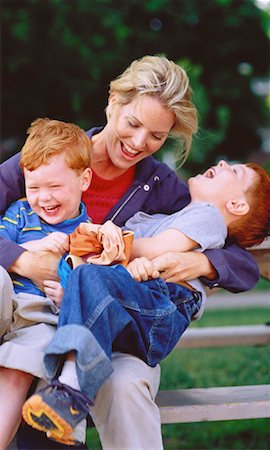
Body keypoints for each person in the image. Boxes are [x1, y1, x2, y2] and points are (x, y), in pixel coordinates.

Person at [0, 55, 259, 450]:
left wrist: (203, 261)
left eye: (156, 136)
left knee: (122, 380)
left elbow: (241, 254)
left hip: (96, 322)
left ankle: (67, 393)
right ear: (112, 104)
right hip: (24, 309)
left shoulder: (162, 187)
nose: (140, 143)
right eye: (133, 124)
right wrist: (24, 260)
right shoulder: (51, 155)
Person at [21, 159, 270, 446]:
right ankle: (66, 398)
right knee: (86, 278)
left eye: (235, 171)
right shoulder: (159, 217)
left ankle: (71, 388)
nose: (224, 162)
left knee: (89, 277)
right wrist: (83, 291)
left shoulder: (208, 216)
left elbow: (154, 250)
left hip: (161, 306)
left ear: (237, 206)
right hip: (132, 313)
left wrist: (102, 237)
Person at [0, 117, 93, 449]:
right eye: (34, 187)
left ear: (85, 179)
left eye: (54, 187)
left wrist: (67, 295)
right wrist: (30, 249)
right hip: (5, 302)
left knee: (22, 369)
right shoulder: (19, 213)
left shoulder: (88, 232)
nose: (43, 198)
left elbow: (91, 283)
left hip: (39, 317)